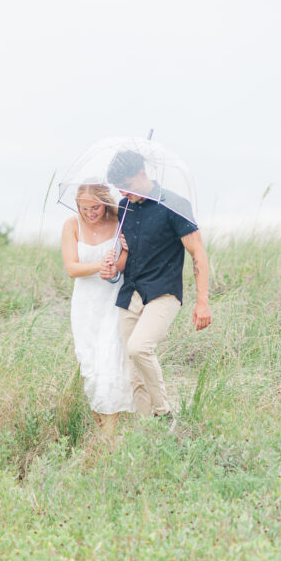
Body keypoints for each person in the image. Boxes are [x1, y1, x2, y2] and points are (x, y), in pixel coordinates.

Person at [101, 150, 211, 424]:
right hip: (131, 292)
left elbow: (197, 252)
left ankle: (164, 413)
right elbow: (127, 256)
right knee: (133, 370)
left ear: (141, 173)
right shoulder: (124, 207)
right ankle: (146, 432)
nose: (123, 193)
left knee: (139, 348)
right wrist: (114, 266)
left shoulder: (175, 204)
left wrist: (203, 301)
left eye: (126, 186)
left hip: (164, 292)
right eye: (119, 189)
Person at [60, 183, 134, 437]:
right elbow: (72, 268)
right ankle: (103, 430)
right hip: (85, 305)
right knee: (90, 369)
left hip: (113, 300)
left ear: (106, 203)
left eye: (96, 207)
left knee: (110, 363)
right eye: (85, 208)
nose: (90, 213)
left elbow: (125, 261)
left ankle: (109, 438)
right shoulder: (72, 225)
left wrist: (119, 259)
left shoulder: (119, 222)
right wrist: (98, 264)